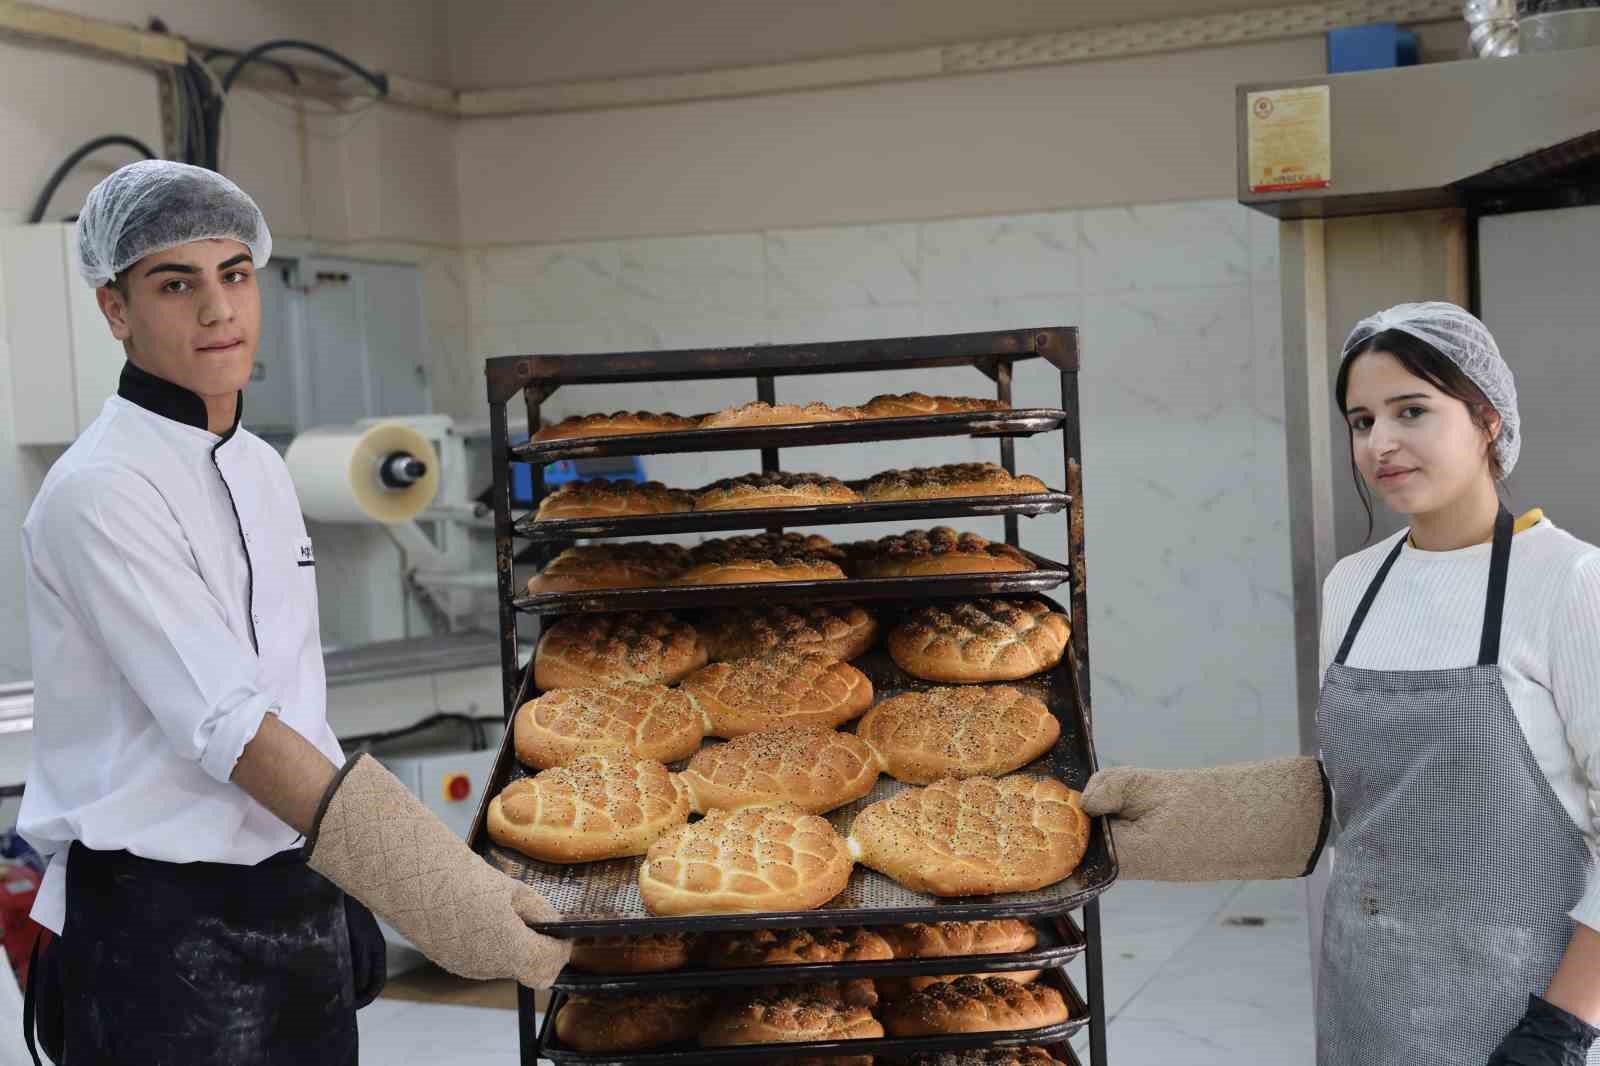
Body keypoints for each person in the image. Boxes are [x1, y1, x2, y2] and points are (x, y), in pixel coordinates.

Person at [16, 160, 569, 1065]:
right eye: (174, 283)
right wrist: (432, 887)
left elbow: (287, 701)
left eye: (234, 274)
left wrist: (348, 877)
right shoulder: (100, 491)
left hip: (295, 889)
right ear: (115, 309)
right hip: (157, 930)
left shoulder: (263, 469)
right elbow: (227, 725)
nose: (216, 310)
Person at [1084, 301, 1600, 1066]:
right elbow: (1363, 794)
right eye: (1361, 421)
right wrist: (1174, 811)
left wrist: (1561, 1030)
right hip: (1368, 996)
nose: (1380, 444)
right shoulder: (1356, 584)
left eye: (1411, 411)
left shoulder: (1571, 582)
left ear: (1488, 418)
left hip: (1523, 1009)